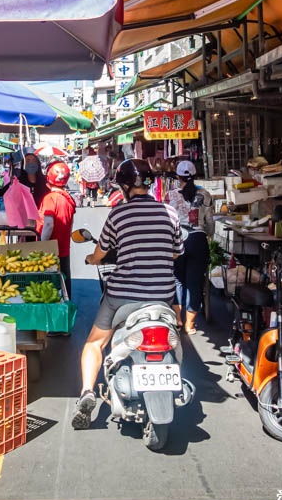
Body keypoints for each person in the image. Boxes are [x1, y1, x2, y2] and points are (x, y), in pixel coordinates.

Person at [74, 159, 182, 429]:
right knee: (176, 335)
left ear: (123, 186)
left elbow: (100, 253)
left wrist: (91, 258)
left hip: (122, 294)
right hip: (163, 295)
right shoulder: (170, 213)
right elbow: (176, 251)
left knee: (94, 344)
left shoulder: (118, 215)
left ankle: (87, 392)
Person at [164, 160, 214, 335]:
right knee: (195, 282)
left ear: (178, 177)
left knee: (177, 280)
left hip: (177, 241)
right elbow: (210, 223)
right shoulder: (205, 195)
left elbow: (166, 222)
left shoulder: (170, 195)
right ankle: (190, 325)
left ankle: (178, 320)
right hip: (198, 240)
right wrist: (208, 234)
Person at [38, 161, 77, 297]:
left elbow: (48, 225)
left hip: (51, 251)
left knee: (51, 290)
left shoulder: (51, 198)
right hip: (64, 249)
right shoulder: (68, 199)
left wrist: (42, 246)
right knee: (65, 286)